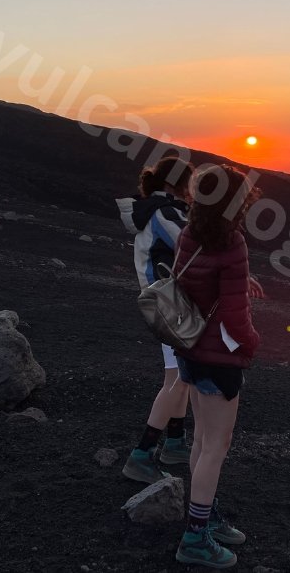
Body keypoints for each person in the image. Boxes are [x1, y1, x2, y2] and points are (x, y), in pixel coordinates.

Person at [172, 164, 262, 569]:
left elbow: (189, 284)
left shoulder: (189, 233)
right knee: (215, 447)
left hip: (189, 349)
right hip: (219, 357)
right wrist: (252, 342)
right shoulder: (233, 242)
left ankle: (204, 515)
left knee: (201, 442)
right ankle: (195, 538)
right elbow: (234, 316)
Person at [115, 156, 196, 483]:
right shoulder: (165, 213)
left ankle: (174, 442)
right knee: (183, 377)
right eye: (190, 184)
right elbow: (192, 248)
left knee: (177, 376)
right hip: (170, 304)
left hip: (163, 302)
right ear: (177, 184)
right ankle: (141, 453)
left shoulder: (157, 210)